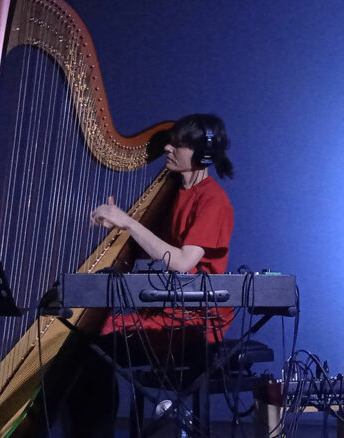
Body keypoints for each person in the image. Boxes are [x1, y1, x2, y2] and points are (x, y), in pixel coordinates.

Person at [61, 113, 235, 437]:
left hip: (193, 323)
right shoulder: (173, 193)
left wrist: (128, 222)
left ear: (202, 155)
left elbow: (182, 262)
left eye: (178, 144)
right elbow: (150, 250)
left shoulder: (213, 201)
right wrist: (119, 228)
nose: (168, 148)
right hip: (162, 313)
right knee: (79, 340)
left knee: (91, 349)